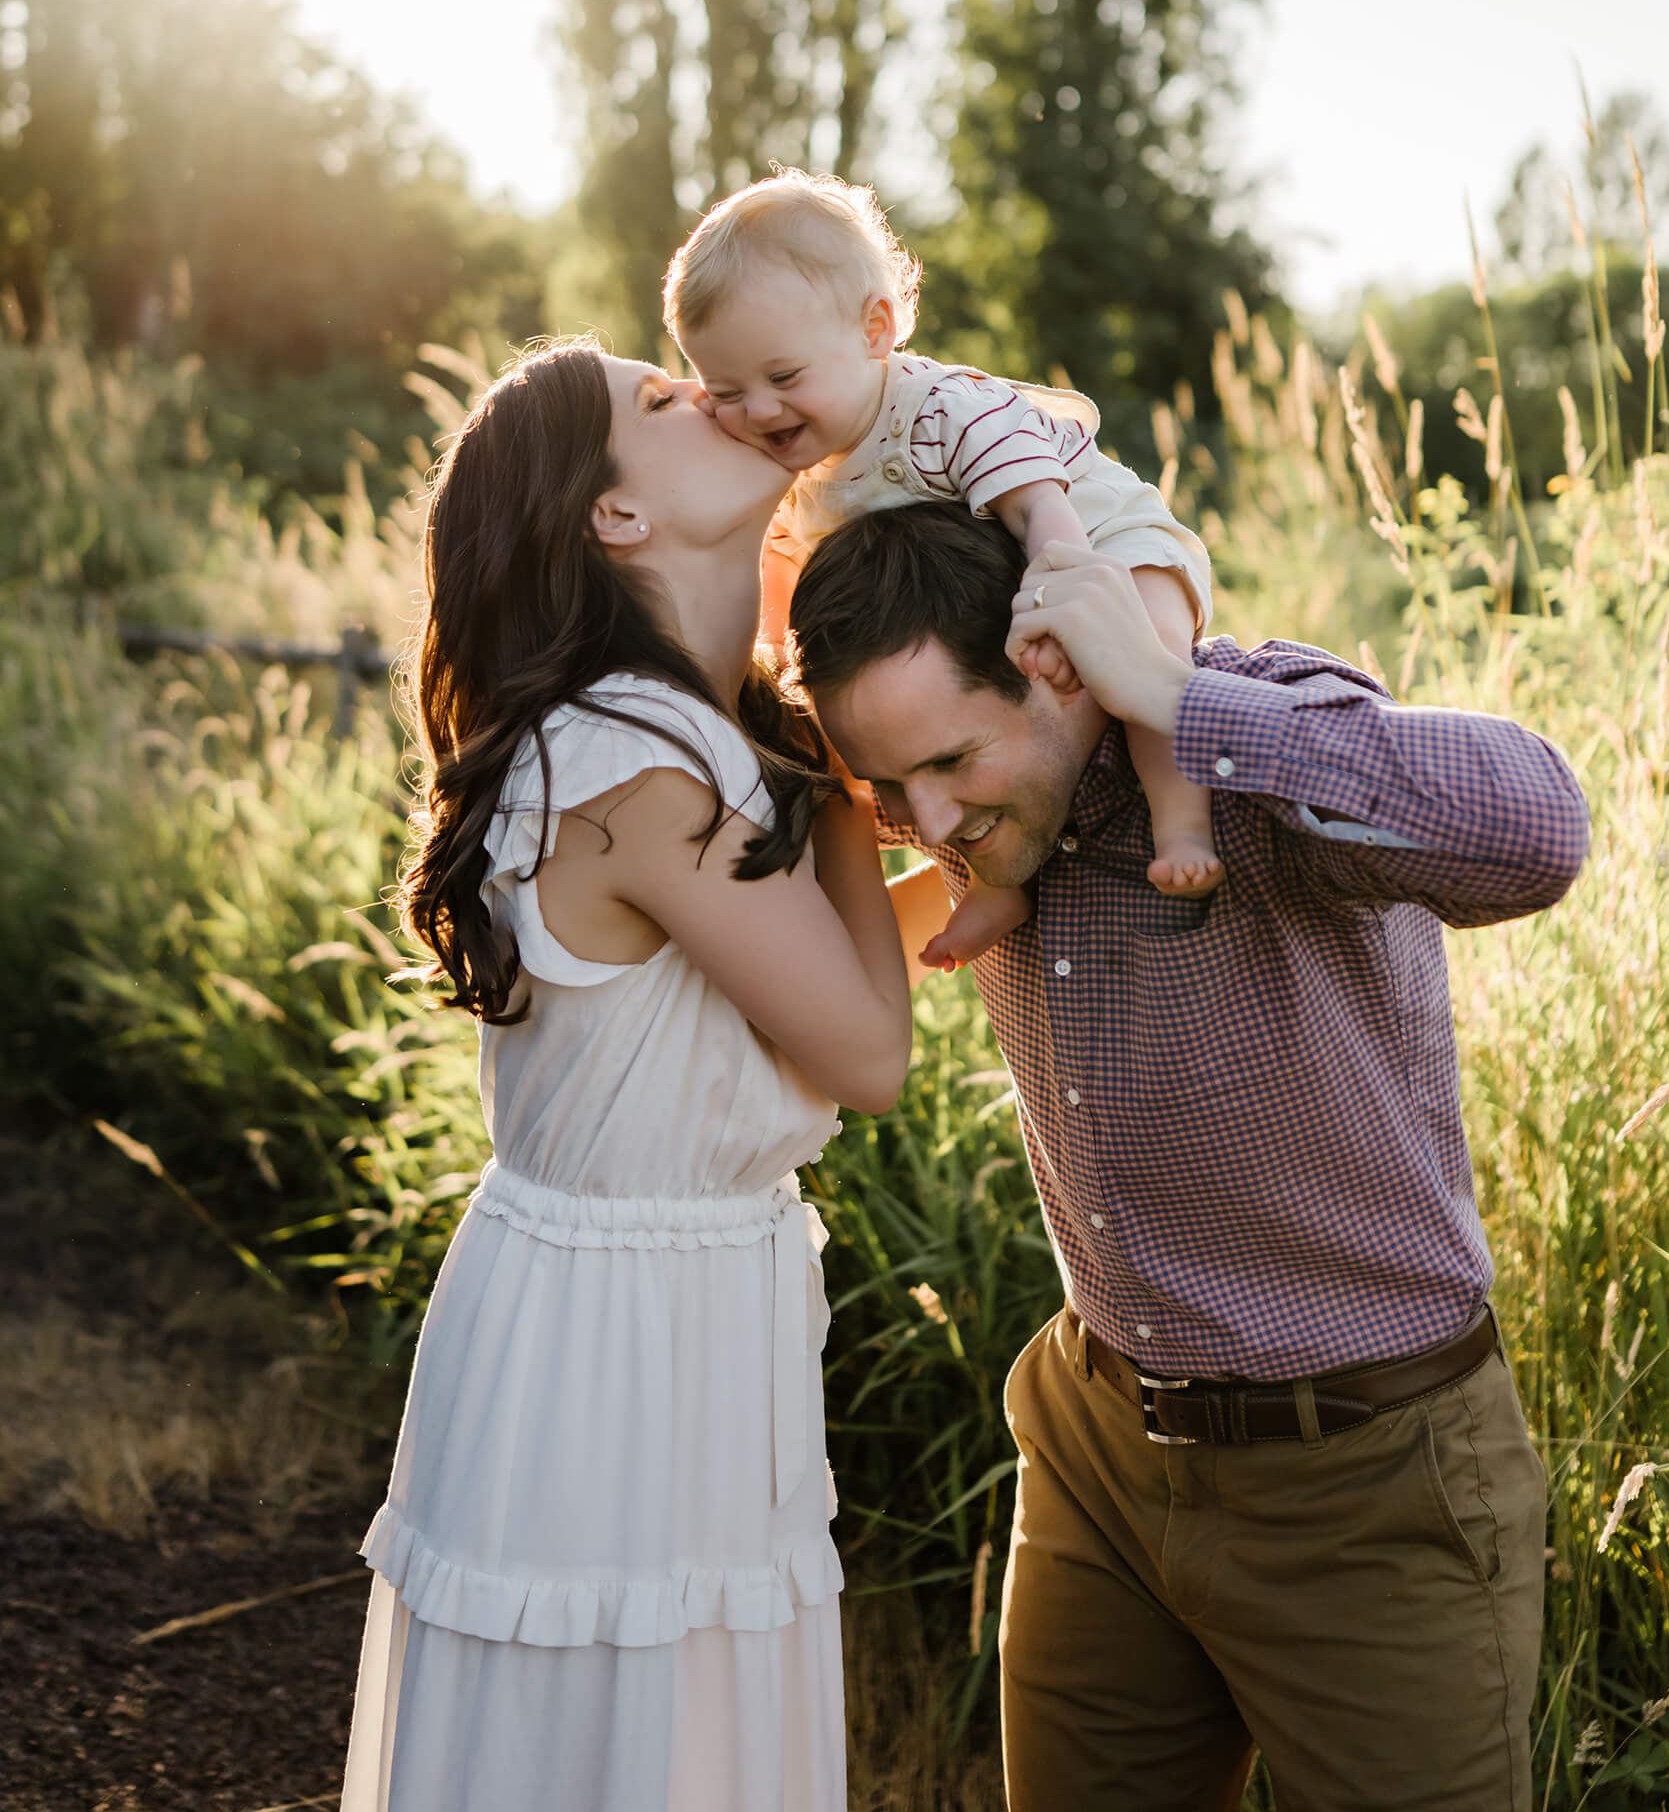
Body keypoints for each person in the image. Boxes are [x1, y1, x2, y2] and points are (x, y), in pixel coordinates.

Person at [787, 502, 1591, 1812]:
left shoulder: (1240, 739)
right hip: (1095, 1442)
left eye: (946, 761)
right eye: (889, 784)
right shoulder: (986, 810)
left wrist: (1169, 691)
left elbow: (1536, 835)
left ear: (1055, 666)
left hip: (1363, 1475)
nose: (922, 820)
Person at [339, 339, 913, 1812]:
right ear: (612, 517)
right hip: (620, 1343)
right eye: (661, 402)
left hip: (641, 1301)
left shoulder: (648, 729)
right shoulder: (647, 761)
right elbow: (862, 1049)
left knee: (654, 1738)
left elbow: (765, 993)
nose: (711, 394)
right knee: (636, 1745)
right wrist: (836, 763)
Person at [664, 168, 1220, 972]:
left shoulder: (945, 409)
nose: (758, 411)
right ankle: (985, 885)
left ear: (875, 329)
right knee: (912, 745)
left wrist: (1058, 611)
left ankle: (1183, 820)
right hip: (988, 580)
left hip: (1098, 536)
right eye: (725, 390)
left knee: (1145, 663)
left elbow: (1040, 513)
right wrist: (785, 665)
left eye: (783, 378)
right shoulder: (799, 474)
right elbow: (784, 575)